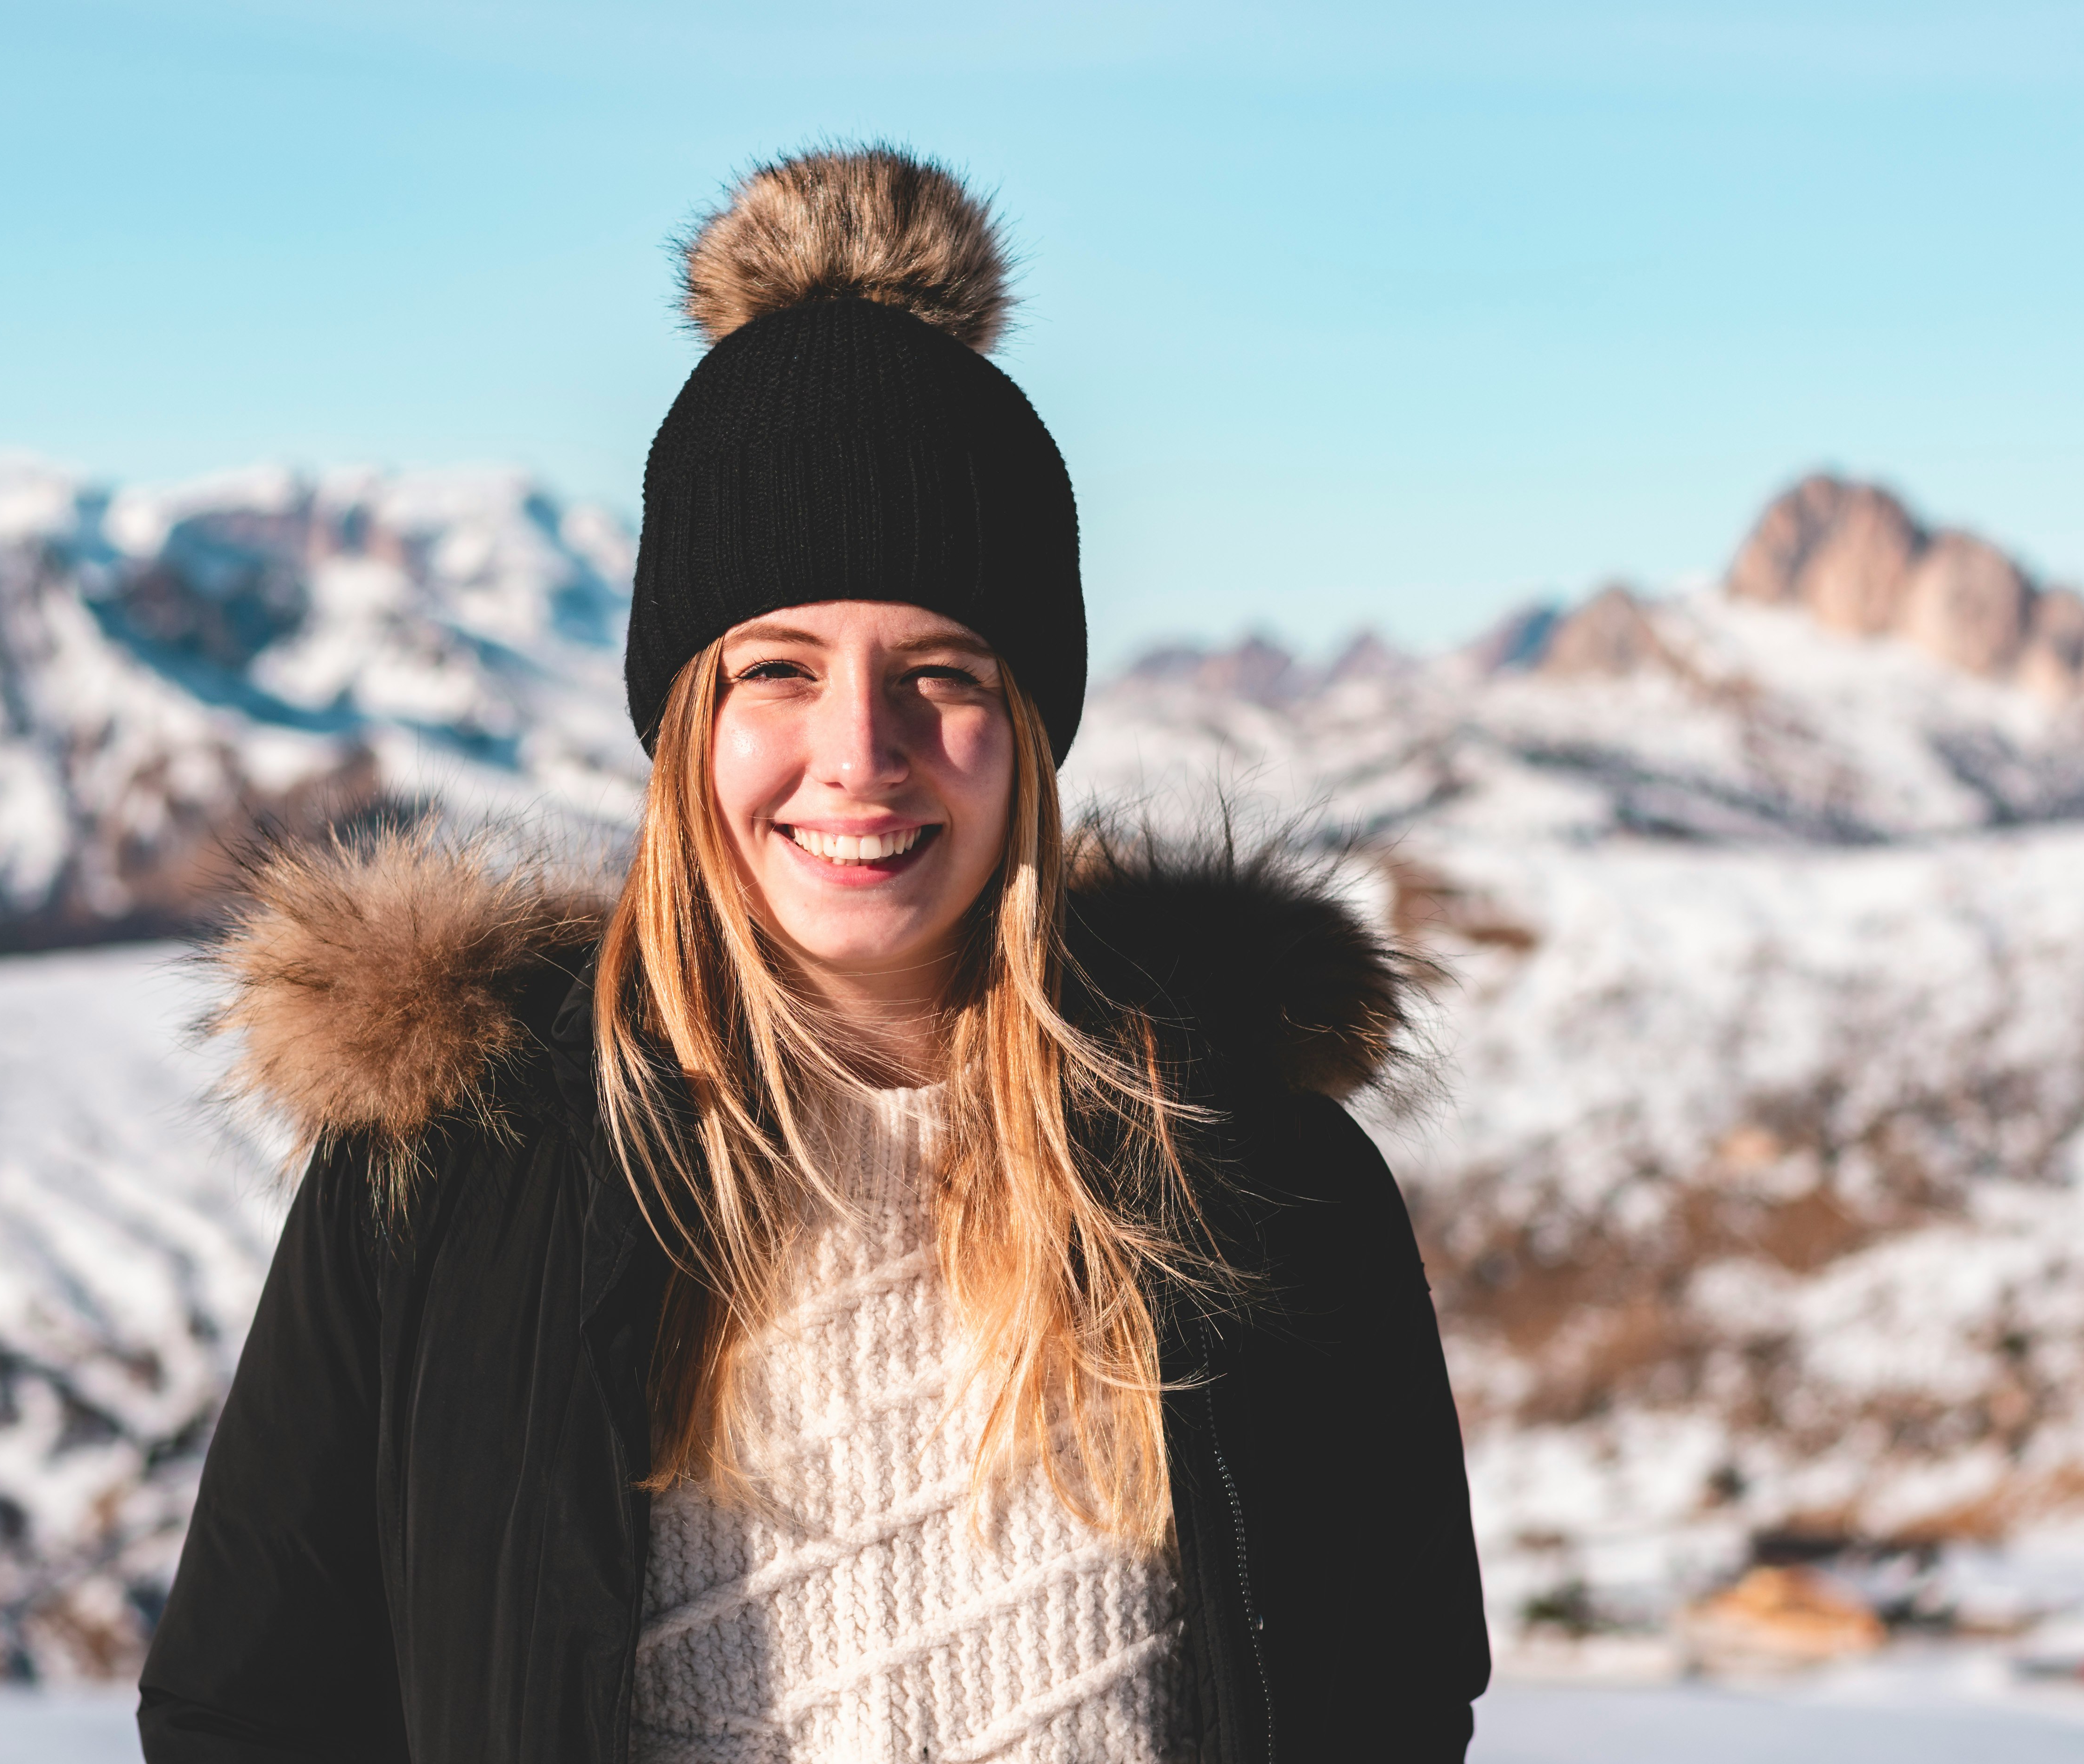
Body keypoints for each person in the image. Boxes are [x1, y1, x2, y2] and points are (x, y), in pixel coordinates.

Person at [138, 145, 1488, 1764]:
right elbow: (248, 1712)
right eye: (776, 669)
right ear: (682, 724)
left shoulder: (1263, 1180)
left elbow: (1396, 1703)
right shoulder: (449, 1183)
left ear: (1032, 735)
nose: (860, 753)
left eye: (943, 672)